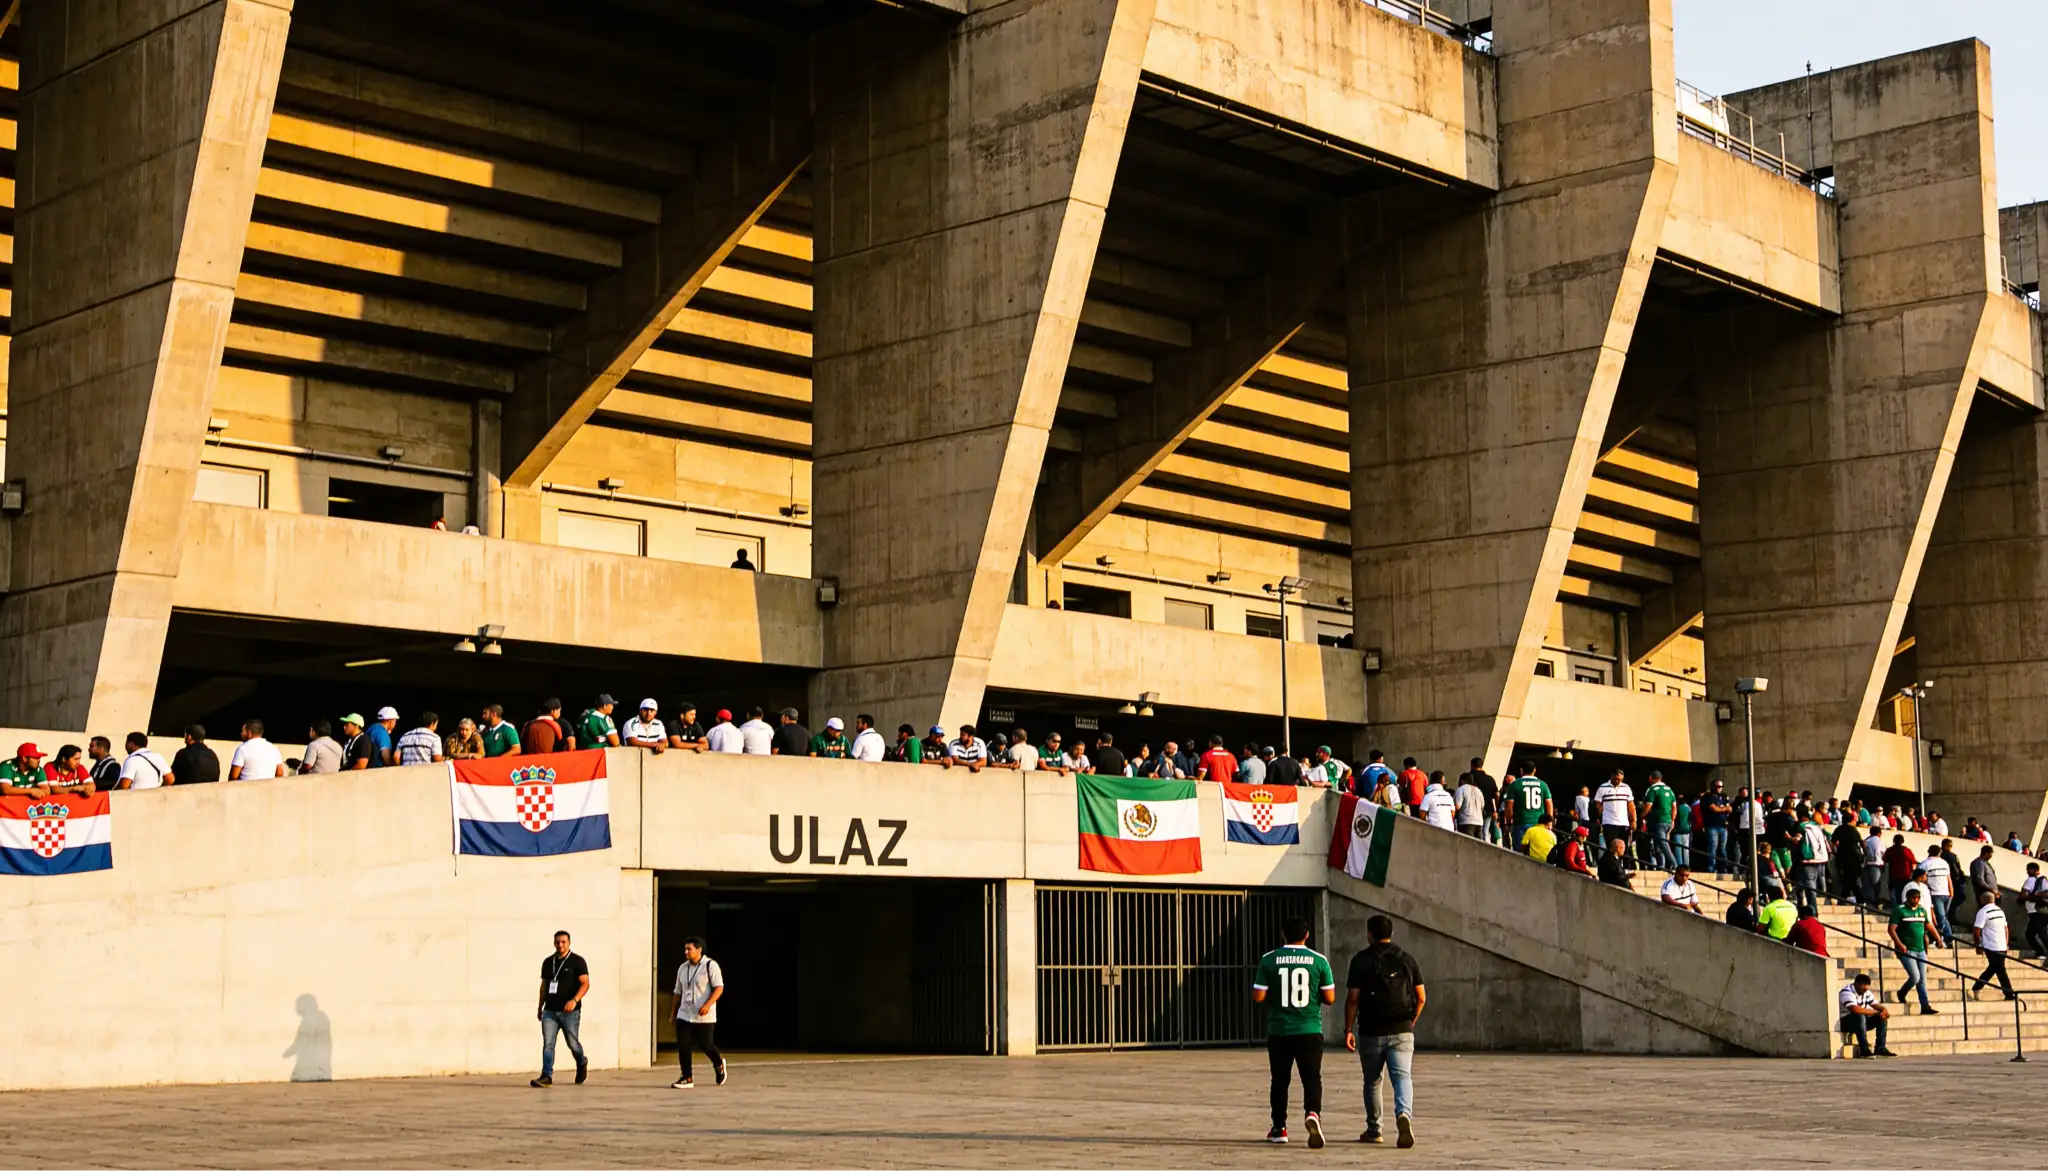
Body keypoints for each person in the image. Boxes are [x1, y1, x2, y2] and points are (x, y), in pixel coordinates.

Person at [1252, 916, 1335, 1147]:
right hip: (1309, 1029)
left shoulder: (1269, 959)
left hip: (1279, 1030)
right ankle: (1313, 1113)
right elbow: (1330, 998)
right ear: (1307, 935)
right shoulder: (1319, 960)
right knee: (1311, 1077)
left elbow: (1258, 996)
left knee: (1280, 1080)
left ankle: (1279, 1128)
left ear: (1283, 934)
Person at [1344, 913, 1423, 1149]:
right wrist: (1410, 1022)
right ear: (1391, 934)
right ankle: (1404, 1115)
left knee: (1372, 1081)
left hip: (1371, 1031)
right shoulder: (1407, 959)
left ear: (1369, 934)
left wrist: (1348, 1029)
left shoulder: (1360, 960)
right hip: (1402, 1029)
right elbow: (1421, 997)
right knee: (1402, 1077)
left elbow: (1353, 998)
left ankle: (1374, 1129)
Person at [532, 930, 589, 1088]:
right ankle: (546, 1075)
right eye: (558, 942)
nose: (560, 945)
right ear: (554, 943)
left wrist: (575, 1000)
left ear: (569, 943)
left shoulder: (577, 961)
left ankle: (581, 1061)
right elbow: (544, 986)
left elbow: (585, 983)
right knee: (548, 1043)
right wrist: (540, 1007)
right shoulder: (548, 962)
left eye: (563, 942)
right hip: (550, 1010)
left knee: (572, 1043)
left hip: (570, 1012)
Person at [670, 936, 727, 1089]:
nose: (686, 952)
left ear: (699, 950)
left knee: (705, 1044)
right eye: (685, 949)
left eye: (689, 949)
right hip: (685, 1013)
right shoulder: (683, 968)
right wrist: (673, 1013)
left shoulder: (710, 966)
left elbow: (719, 988)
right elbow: (677, 992)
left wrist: (708, 1004)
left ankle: (718, 1063)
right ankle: (687, 1077)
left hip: (703, 1014)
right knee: (683, 1045)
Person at [1887, 887, 1938, 1015]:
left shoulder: (1921, 911)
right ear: (1908, 898)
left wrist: (1938, 938)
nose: (1916, 900)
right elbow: (1891, 929)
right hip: (1906, 950)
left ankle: (1925, 1006)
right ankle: (1902, 992)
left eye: (1918, 898)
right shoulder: (1899, 910)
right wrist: (1899, 944)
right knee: (1915, 977)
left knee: (1922, 980)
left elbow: (1928, 925)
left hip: (1920, 949)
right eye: (1913, 898)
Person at [1970, 890, 2017, 1000]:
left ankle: (1977, 987)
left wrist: (1978, 945)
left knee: (1994, 968)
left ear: (1982, 900)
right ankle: (2009, 994)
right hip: (1996, 946)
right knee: (2000, 969)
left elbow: (1976, 931)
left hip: (1993, 946)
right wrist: (2006, 942)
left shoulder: (1983, 912)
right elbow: (2006, 929)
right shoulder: (2000, 911)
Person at [1839, 973, 1896, 1058]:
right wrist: (1875, 1012)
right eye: (1863, 988)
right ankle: (1864, 1050)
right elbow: (1855, 1009)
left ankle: (1880, 1048)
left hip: (1861, 1022)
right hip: (1846, 1022)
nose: (1865, 990)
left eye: (1866, 988)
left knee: (1881, 1017)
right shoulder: (1846, 992)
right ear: (1856, 984)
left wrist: (1883, 1009)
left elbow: (1875, 1004)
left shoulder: (1866, 992)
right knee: (1860, 1016)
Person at [1593, 769, 1636, 857]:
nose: (1618, 781)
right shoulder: (1603, 787)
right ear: (1611, 776)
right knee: (1611, 847)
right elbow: (1598, 805)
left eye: (1620, 779)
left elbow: (1631, 805)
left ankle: (1622, 867)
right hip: (1608, 822)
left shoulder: (1626, 788)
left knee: (1624, 848)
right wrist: (1599, 817)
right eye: (1616, 778)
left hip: (1623, 823)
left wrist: (1634, 820)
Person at [1456, 757, 1499, 845]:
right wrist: (1495, 810)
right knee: (1485, 832)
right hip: (1487, 810)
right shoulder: (1490, 779)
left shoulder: (1468, 778)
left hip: (1470, 813)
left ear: (1471, 765)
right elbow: (1496, 795)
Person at [1506, 767, 1553, 845]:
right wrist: (1549, 822)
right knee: (1535, 848)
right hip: (1538, 823)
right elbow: (1549, 803)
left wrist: (1508, 822)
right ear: (1534, 770)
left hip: (1520, 821)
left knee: (1518, 851)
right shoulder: (1543, 784)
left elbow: (1509, 805)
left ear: (1522, 771)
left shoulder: (1514, 784)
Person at [1919, 843, 1955, 947]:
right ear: (1939, 853)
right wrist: (1951, 891)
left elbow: (1947, 877)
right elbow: (1948, 879)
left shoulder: (1924, 864)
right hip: (1938, 894)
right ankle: (1947, 938)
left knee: (1941, 917)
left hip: (1940, 893)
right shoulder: (1940, 863)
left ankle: (1939, 938)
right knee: (1941, 917)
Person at [1641, 770, 1677, 870]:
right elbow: (1674, 807)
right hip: (1668, 821)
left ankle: (1674, 863)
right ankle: (1661, 866)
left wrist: (1642, 816)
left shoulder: (1652, 789)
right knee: (1658, 845)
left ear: (1651, 778)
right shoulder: (1669, 790)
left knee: (1662, 843)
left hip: (1657, 821)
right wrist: (1672, 820)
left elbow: (1648, 805)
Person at [1700, 781, 1734, 876]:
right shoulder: (1708, 797)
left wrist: (1722, 809)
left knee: (1722, 849)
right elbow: (1714, 809)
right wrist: (1724, 809)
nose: (1719, 788)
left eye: (1721, 786)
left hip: (1723, 825)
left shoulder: (1723, 796)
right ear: (1712, 786)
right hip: (1712, 825)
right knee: (1713, 847)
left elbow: (1730, 808)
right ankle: (1712, 868)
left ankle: (1723, 868)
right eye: (1717, 786)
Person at [1883, 834, 1917, 908]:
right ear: (1903, 841)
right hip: (1906, 876)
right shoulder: (1906, 850)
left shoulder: (1890, 850)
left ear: (1894, 841)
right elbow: (1913, 862)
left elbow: (1885, 861)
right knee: (1904, 894)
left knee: (1895, 895)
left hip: (1894, 876)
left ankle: (1897, 909)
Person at [2023, 861, 2048, 959]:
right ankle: (2041, 952)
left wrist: (2035, 895)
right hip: (2035, 912)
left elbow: (2046, 892)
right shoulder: (2036, 880)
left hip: (2039, 912)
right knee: (2034, 933)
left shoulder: (2040, 880)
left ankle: (2041, 952)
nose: (2027, 871)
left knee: (2036, 933)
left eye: (2029, 869)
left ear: (2035, 870)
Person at [1452, 770, 1487, 839]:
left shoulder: (1461, 789)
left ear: (1462, 780)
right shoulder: (1479, 791)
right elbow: (1482, 806)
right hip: (1479, 822)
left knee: (1467, 845)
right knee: (1477, 847)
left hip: (1466, 821)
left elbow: (1457, 806)